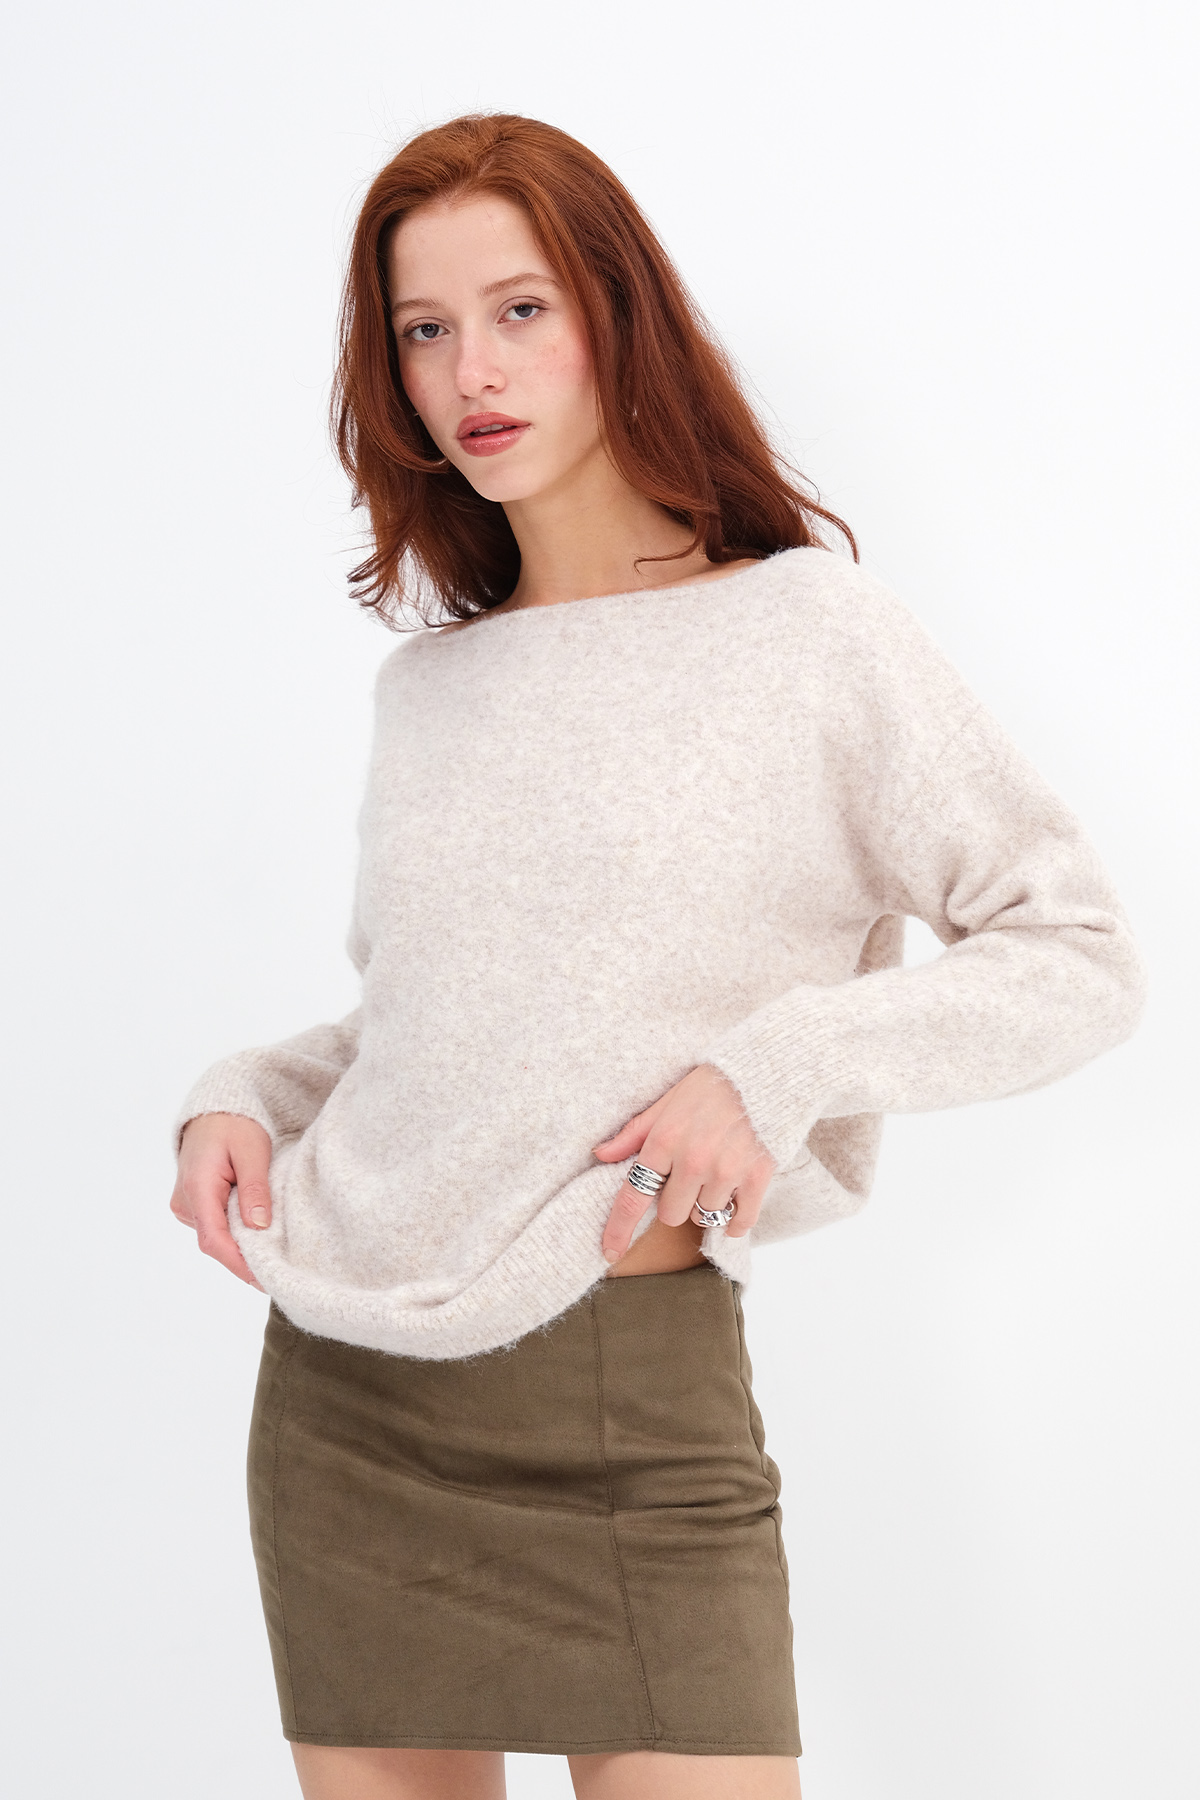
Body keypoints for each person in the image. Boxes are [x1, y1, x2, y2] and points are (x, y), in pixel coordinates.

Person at [169, 114, 1145, 1800]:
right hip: (351, 1400)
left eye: (520, 309)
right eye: (424, 329)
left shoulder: (809, 632)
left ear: (619, 312)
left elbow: (1079, 953)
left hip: (638, 1393)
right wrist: (242, 1092)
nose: (471, 371)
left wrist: (774, 1068)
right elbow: (436, 1024)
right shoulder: (433, 692)